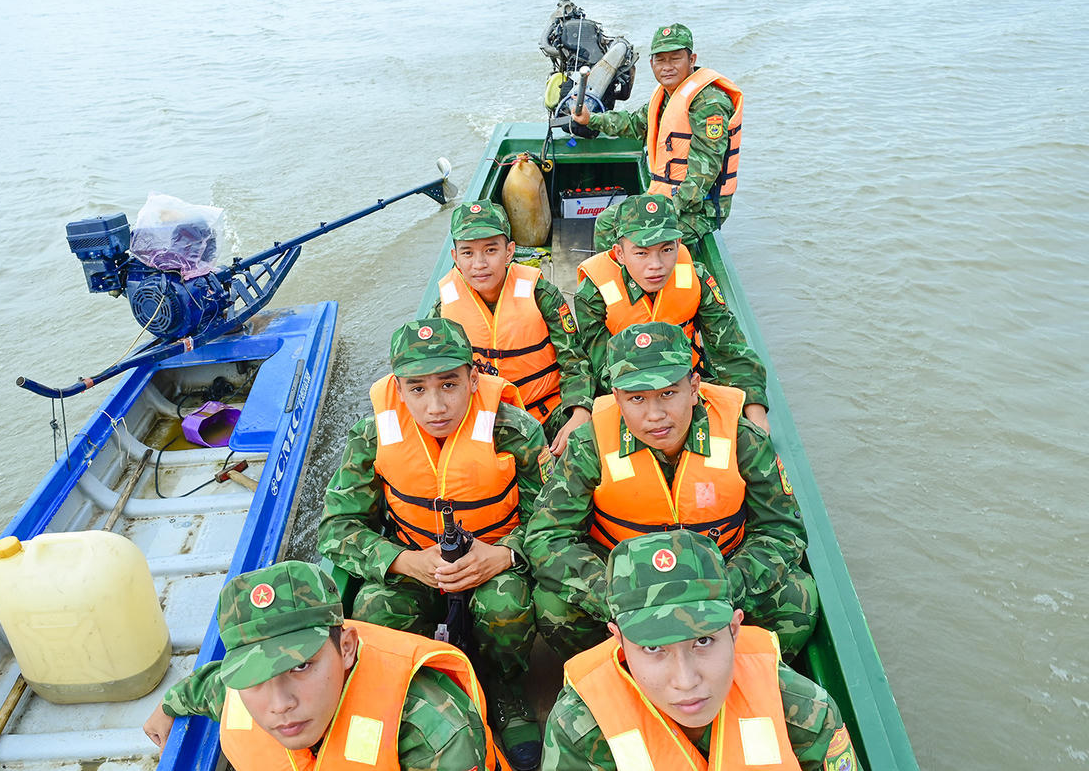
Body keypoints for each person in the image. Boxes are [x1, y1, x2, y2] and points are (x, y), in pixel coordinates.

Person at [316, 317, 548, 770]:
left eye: (449, 384)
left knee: (507, 605)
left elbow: (552, 519)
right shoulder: (373, 435)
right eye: (417, 389)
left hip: (490, 562)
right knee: (373, 609)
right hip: (416, 562)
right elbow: (337, 527)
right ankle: (424, 689)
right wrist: (404, 561)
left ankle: (505, 688)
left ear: (473, 379)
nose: (435, 405)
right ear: (398, 390)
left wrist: (503, 554)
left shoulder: (514, 430)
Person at [524, 321, 816, 660]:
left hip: (719, 574)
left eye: (668, 393)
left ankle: (730, 669)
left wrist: (726, 587)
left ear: (693, 388)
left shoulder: (742, 438)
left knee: (797, 597)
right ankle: (624, 669)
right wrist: (618, 597)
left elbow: (781, 529)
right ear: (617, 398)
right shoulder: (590, 445)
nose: (655, 415)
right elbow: (547, 537)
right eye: (637, 398)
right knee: (552, 605)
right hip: (625, 582)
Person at [142, 560, 506, 771]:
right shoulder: (238, 691)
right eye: (254, 674)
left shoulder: (434, 733)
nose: (280, 704)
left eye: (301, 666)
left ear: (345, 648)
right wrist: (168, 705)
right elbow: (206, 686)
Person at [540, 530, 858, 771]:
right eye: (653, 647)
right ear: (620, 641)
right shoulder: (580, 730)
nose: (686, 680)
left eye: (703, 641)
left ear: (734, 630)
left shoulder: (806, 714)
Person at [575, 194, 771, 433]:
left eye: (667, 249)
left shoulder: (697, 279)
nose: (656, 264)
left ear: (679, 244)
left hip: (689, 386)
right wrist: (654, 403)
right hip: (630, 395)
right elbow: (603, 368)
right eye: (641, 253)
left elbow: (730, 350)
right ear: (620, 253)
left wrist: (755, 410)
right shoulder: (593, 292)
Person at [429, 199, 594, 457]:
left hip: (548, 414)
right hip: (487, 421)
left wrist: (580, 411)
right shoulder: (443, 310)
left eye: (490, 250)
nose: (479, 263)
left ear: (509, 252)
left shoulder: (541, 294)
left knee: (589, 448)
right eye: (468, 253)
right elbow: (433, 378)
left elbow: (574, 360)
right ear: (455, 258)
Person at [571, 22, 742, 245]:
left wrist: (667, 209)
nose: (667, 67)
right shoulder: (667, 94)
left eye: (675, 59)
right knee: (606, 222)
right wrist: (591, 119)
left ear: (691, 60)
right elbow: (634, 123)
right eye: (660, 60)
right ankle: (614, 269)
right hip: (666, 195)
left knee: (630, 238)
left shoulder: (709, 103)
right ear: (651, 63)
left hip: (699, 210)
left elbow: (705, 170)